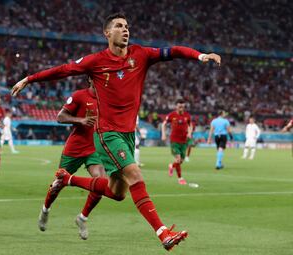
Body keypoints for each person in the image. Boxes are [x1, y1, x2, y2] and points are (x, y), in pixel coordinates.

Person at [12, 13, 221, 251]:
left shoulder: (141, 54)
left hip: (128, 135)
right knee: (136, 176)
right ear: (107, 33)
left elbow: (172, 51)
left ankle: (66, 179)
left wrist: (200, 55)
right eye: (119, 26)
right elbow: (64, 70)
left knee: (117, 192)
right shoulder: (96, 61)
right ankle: (163, 233)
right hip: (107, 133)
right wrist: (29, 79)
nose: (125, 30)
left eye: (127, 26)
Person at [38, 77, 105, 240]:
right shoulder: (79, 96)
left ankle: (82, 218)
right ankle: (45, 210)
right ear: (90, 79)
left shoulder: (107, 97)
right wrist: (80, 120)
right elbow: (60, 117)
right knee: (58, 184)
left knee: (101, 183)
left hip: (94, 149)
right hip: (74, 148)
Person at [161, 99, 192, 185]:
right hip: (174, 141)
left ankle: (172, 166)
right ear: (176, 107)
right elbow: (163, 124)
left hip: (184, 141)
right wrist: (163, 134)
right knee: (178, 159)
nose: (181, 108)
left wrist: (189, 133)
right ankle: (180, 178)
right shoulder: (171, 115)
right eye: (179, 106)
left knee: (180, 161)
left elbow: (190, 125)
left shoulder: (187, 115)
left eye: (182, 106)